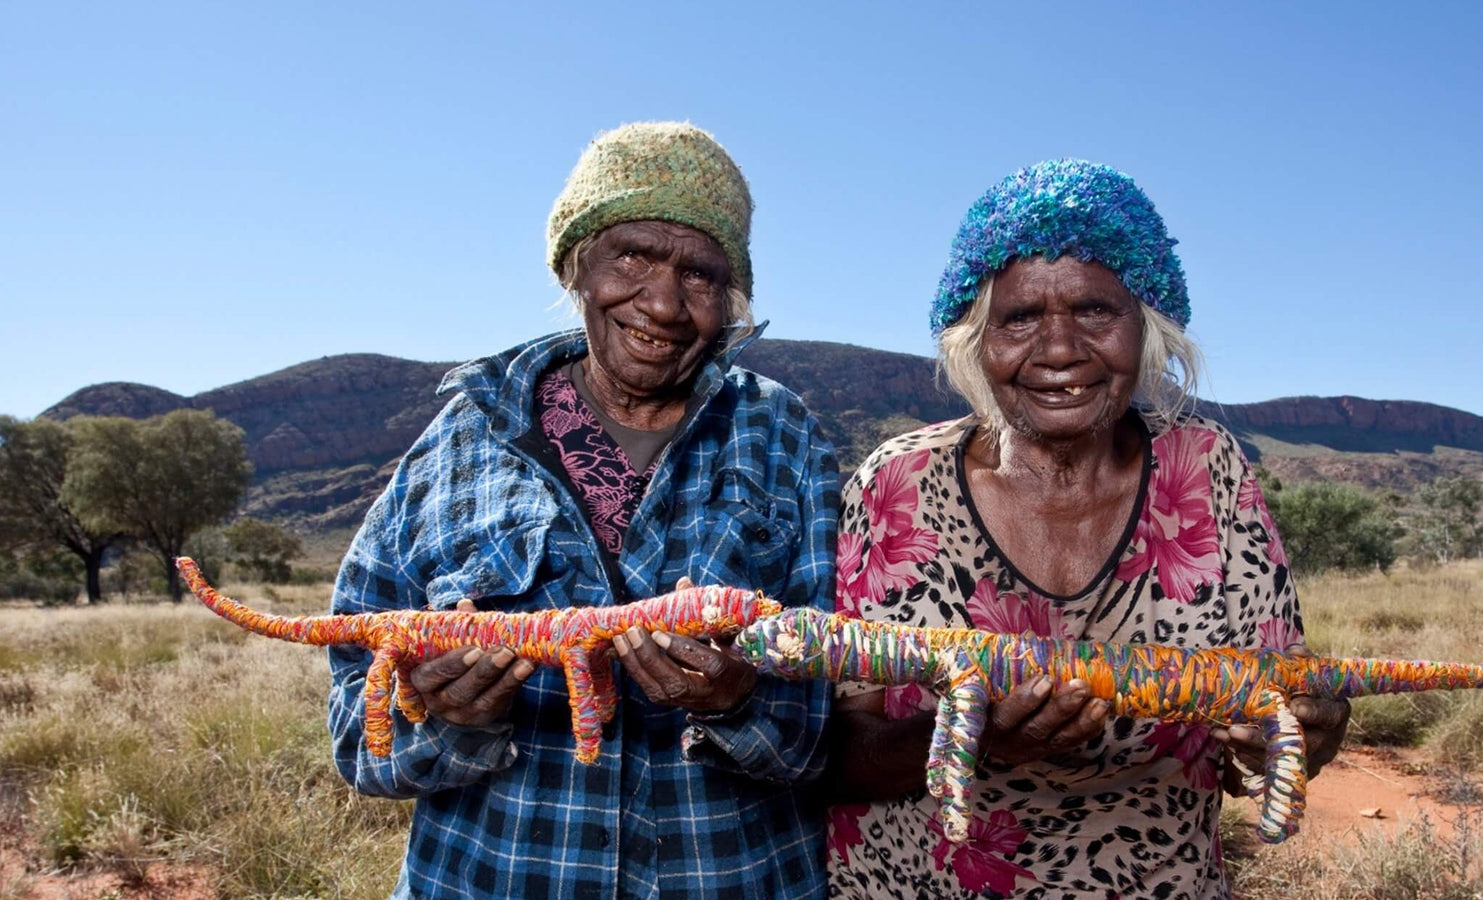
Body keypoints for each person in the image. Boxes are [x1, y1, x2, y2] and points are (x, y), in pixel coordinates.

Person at [327, 122, 838, 899]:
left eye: (699, 275)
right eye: (632, 256)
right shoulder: (466, 436)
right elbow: (352, 724)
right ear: (576, 265)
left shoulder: (781, 436)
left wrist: (740, 702)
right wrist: (444, 720)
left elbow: (835, 719)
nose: (663, 303)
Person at [823, 159, 1350, 899]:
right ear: (976, 340)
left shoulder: (1207, 472)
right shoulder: (897, 484)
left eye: (1096, 310)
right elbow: (838, 753)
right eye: (1019, 318)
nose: (1060, 349)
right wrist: (975, 740)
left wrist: (1293, 740)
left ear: (1148, 326)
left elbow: (1263, 731)